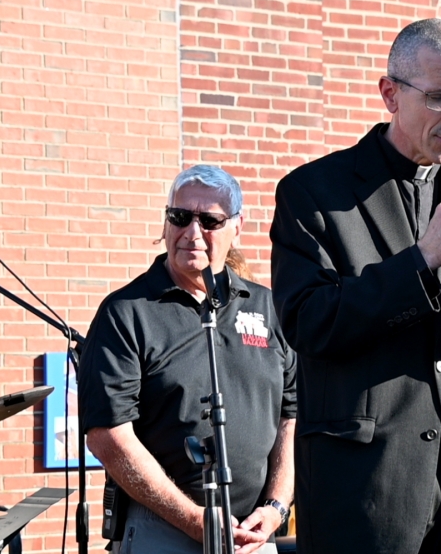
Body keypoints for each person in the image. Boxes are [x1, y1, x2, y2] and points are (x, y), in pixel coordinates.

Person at [270, 18, 441, 554]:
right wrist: (423, 260)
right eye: (440, 98)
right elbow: (310, 324)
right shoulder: (315, 192)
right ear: (390, 93)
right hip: (368, 491)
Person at [78, 165, 297, 554]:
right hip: (162, 531)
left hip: (253, 536)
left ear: (236, 226)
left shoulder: (268, 307)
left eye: (210, 220)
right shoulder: (127, 313)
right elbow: (108, 436)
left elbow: (292, 417)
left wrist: (276, 507)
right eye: (180, 217)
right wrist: (194, 519)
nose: (192, 233)